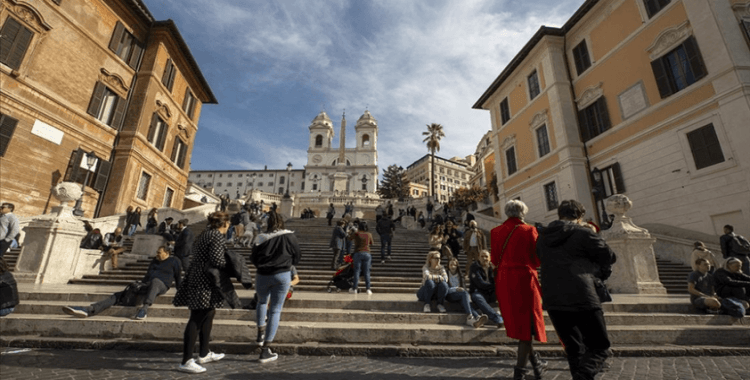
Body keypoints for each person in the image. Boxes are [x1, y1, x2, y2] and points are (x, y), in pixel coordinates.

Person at [537, 199, 616, 380]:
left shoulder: (543, 237)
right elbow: (609, 255)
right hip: (583, 294)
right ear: (580, 216)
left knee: (574, 349)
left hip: (553, 297)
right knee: (599, 346)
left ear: (560, 215)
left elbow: (540, 257)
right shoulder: (583, 233)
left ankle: (579, 375)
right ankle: (583, 376)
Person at [491, 200, 547, 379]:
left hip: (504, 280)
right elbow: (537, 260)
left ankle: (536, 365)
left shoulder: (495, 231)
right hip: (524, 279)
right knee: (527, 326)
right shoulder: (529, 230)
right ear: (522, 212)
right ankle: (520, 373)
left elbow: (493, 259)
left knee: (521, 325)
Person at [172, 212, 231, 373]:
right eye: (228, 224)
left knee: (209, 312)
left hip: (198, 275)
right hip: (205, 279)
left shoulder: (205, 233)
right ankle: (186, 360)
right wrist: (232, 264)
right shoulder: (216, 236)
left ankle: (204, 353)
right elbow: (217, 260)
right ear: (224, 224)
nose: (229, 226)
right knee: (197, 317)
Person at [63, 245, 182, 320]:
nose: (156, 254)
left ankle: (144, 309)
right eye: (156, 252)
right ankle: (89, 310)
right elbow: (147, 275)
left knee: (155, 282)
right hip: (148, 284)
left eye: (159, 252)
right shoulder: (154, 261)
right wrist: (139, 284)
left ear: (167, 253)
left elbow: (178, 277)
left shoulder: (174, 261)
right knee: (118, 295)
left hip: (162, 285)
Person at [251, 210, 302, 363]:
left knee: (261, 302)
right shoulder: (289, 236)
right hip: (282, 275)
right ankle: (265, 350)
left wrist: (262, 266)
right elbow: (297, 255)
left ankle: (260, 333)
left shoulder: (260, 237)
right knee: (275, 310)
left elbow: (253, 257)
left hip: (262, 274)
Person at [445, 257, 487, 328]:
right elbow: (446, 290)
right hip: (450, 295)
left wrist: (467, 297)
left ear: (457, 266)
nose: (453, 266)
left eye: (454, 265)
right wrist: (456, 289)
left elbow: (464, 289)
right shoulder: (446, 274)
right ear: (448, 266)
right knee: (464, 295)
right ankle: (473, 315)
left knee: (466, 301)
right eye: (451, 264)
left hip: (460, 296)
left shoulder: (460, 275)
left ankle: (476, 319)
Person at [469, 250, 504, 327]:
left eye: (486, 256)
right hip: (479, 293)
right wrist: (495, 285)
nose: (484, 258)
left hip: (491, 293)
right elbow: (480, 284)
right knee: (477, 297)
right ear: (478, 257)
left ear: (490, 258)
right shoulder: (474, 267)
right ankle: (497, 318)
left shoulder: (493, 268)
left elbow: (501, 281)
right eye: (482, 256)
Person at [348, 221, 373, 295]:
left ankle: (354, 288)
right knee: (367, 272)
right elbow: (372, 243)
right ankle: (368, 289)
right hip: (367, 253)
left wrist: (352, 231)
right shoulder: (369, 234)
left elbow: (349, 238)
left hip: (358, 253)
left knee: (357, 271)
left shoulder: (356, 233)